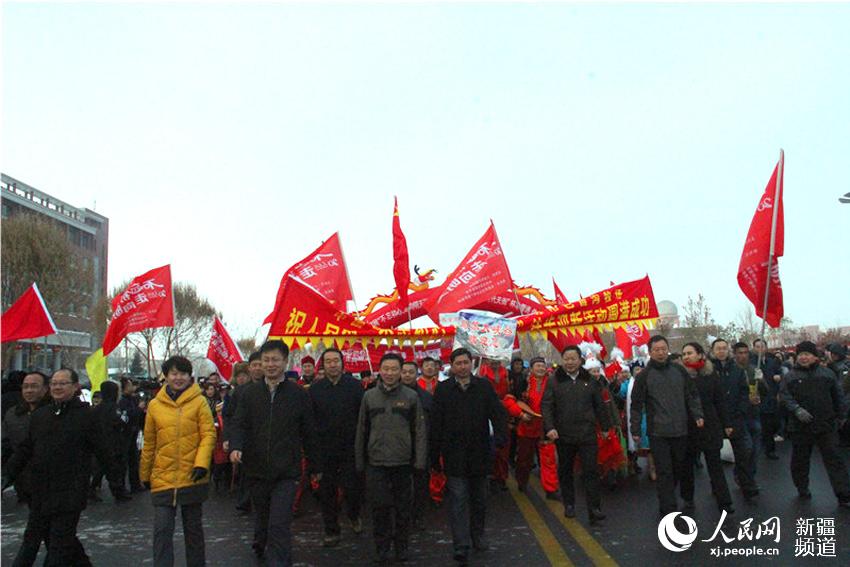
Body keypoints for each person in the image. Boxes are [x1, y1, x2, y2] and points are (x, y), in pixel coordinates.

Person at [6, 368, 123, 566]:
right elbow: (25, 449)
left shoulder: (87, 416)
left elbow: (103, 451)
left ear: (75, 387)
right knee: (32, 541)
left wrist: (115, 481)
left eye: (63, 383)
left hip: (70, 493)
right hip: (41, 492)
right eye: (54, 383)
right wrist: (7, 474)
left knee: (59, 546)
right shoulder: (41, 415)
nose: (57, 387)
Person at [229, 340, 318, 565]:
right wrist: (236, 446)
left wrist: (315, 466)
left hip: (286, 472)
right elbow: (239, 424)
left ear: (285, 362)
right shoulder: (249, 394)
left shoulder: (298, 394)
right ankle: (261, 542)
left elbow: (309, 432)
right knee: (263, 518)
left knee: (279, 523)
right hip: (256, 469)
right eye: (266, 360)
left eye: (275, 360)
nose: (270, 365)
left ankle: (279, 561)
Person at [430, 348, 508, 564]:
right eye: (458, 363)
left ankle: (477, 535)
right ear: (452, 366)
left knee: (479, 500)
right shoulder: (443, 389)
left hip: (479, 454)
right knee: (458, 500)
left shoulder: (483, 386)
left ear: (471, 364)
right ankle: (461, 545)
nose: (462, 367)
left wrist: (501, 437)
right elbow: (435, 423)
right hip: (454, 456)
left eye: (465, 362)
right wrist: (434, 455)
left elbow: (497, 413)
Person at [139, 356, 216, 567]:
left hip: (193, 475)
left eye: (183, 373)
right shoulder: (155, 405)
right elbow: (149, 442)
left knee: (193, 530)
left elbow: (208, 434)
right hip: (163, 476)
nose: (178, 378)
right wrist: (144, 473)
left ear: (189, 376)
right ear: (166, 376)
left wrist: (201, 464)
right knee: (162, 531)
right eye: (173, 373)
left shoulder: (199, 401)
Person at [356, 354, 427, 563]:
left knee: (403, 510)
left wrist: (420, 461)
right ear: (380, 370)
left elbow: (419, 430)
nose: (389, 373)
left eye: (394, 369)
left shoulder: (411, 397)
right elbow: (361, 430)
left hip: (403, 463)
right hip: (376, 462)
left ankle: (402, 547)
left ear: (400, 371)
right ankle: (382, 548)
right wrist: (359, 461)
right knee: (379, 509)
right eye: (386, 369)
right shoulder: (369, 397)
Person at [630, 336, 704, 517]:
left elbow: (691, 394)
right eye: (657, 350)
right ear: (650, 352)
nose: (661, 352)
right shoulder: (644, 376)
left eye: (664, 349)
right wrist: (635, 429)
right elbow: (636, 405)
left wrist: (698, 414)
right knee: (664, 471)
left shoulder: (679, 370)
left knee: (679, 467)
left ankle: (679, 496)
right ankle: (668, 507)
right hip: (658, 432)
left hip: (681, 429)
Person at [542, 346, 610, 524]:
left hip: (587, 434)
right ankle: (569, 504)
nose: (570, 362)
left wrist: (605, 427)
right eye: (566, 359)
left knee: (591, 471)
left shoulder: (590, 380)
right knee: (566, 471)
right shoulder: (554, 380)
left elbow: (599, 405)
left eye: (573, 359)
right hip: (563, 435)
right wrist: (549, 427)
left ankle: (594, 509)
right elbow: (546, 406)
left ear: (580, 360)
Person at [780, 341, 850, 507]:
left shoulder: (827, 374)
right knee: (800, 460)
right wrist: (796, 409)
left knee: (835, 460)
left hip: (826, 424)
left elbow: (838, 396)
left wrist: (841, 416)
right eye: (801, 354)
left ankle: (844, 495)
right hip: (800, 426)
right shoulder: (790, 376)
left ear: (815, 356)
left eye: (807, 354)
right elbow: (784, 396)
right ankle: (802, 487)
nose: (804, 357)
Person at [309, 347, 365, 547]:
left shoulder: (355, 386)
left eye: (336, 361)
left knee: (353, 489)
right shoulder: (315, 390)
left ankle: (354, 515)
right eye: (328, 361)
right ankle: (331, 530)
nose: (332, 365)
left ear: (342, 363)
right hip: (325, 450)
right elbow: (311, 422)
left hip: (350, 448)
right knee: (327, 493)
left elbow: (362, 418)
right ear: (323, 365)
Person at [679, 343, 734, 514]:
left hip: (710, 425)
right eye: (684, 354)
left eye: (690, 353)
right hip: (688, 426)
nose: (686, 357)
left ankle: (724, 501)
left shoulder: (711, 374)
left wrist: (727, 423)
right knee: (686, 466)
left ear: (700, 354)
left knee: (715, 465)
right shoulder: (679, 376)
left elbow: (719, 401)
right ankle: (687, 498)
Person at [711, 338, 759, 501]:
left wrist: (741, 411)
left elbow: (744, 393)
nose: (721, 351)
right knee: (714, 458)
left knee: (743, 454)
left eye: (724, 348)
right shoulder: (708, 371)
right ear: (713, 351)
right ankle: (717, 488)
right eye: (718, 348)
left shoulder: (737, 370)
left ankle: (748, 486)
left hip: (735, 418)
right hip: (716, 420)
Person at [509, 357, 558, 498]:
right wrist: (520, 414)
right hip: (527, 426)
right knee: (524, 459)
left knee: (548, 460)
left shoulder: (552, 383)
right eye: (538, 366)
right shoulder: (522, 382)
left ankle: (551, 489)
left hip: (546, 427)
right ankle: (522, 482)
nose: (541, 368)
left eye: (543, 366)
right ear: (531, 368)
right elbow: (511, 400)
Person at [2, 371, 50, 504]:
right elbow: (5, 444)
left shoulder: (56, 413)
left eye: (34, 386)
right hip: (22, 479)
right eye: (26, 386)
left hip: (51, 482)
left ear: (45, 389)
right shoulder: (13, 414)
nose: (29, 390)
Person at [400, 360, 433, 529]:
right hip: (398, 448)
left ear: (416, 374)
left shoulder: (426, 397)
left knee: (421, 484)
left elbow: (432, 424)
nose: (407, 375)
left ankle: (418, 516)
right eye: (404, 372)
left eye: (410, 372)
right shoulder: (392, 395)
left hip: (421, 447)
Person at [90, 381, 133, 503]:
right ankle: (118, 492)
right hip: (114, 443)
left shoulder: (97, 409)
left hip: (99, 444)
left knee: (101, 469)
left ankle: (91, 490)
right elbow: (122, 421)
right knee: (114, 470)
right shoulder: (114, 408)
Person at [221, 361, 253, 513]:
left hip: (252, 435)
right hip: (240, 435)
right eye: (239, 375)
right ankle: (243, 501)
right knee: (243, 471)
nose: (242, 378)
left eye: (244, 375)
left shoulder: (255, 390)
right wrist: (227, 438)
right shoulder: (233, 393)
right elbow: (228, 417)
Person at [478, 358, 512, 492]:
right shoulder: (481, 372)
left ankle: (501, 477)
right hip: (486, 412)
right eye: (492, 359)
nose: (495, 362)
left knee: (503, 447)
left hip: (503, 412)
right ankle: (489, 475)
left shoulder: (507, 373)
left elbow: (511, 392)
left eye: (497, 359)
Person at [751, 339, 783, 459]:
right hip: (757, 398)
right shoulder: (751, 363)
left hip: (771, 397)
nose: (759, 349)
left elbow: (781, 373)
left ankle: (770, 449)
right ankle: (759, 449)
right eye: (757, 346)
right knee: (758, 426)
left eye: (762, 346)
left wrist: (779, 376)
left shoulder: (772, 362)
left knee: (771, 425)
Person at [118, 377, 146, 493]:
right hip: (125, 433)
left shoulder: (132, 399)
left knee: (134, 460)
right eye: (129, 385)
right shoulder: (122, 401)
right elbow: (126, 416)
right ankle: (122, 487)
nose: (132, 387)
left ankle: (135, 484)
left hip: (133, 432)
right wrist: (139, 409)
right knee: (124, 462)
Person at [825, 343, 850, 446]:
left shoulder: (844, 366)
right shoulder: (833, 365)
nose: (832, 356)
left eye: (834, 354)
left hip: (844, 397)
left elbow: (843, 385)